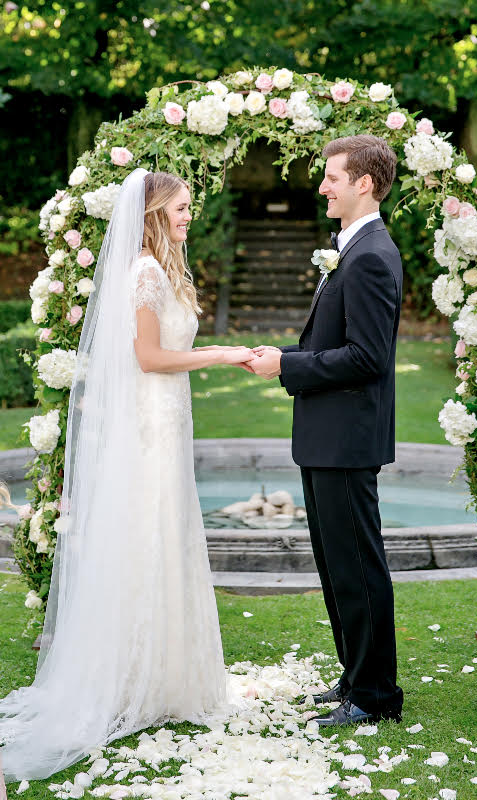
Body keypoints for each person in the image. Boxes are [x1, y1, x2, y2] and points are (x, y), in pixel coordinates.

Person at [0, 169, 253, 781]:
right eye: (181, 209)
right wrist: (222, 353)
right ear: (152, 216)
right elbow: (149, 357)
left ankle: (166, 678)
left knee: (167, 536)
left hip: (168, 421)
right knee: (147, 535)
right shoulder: (142, 272)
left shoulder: (167, 271)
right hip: (148, 426)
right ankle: (133, 675)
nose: (190, 216)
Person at [250, 135, 404, 726]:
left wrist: (286, 366)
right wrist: (286, 353)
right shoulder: (353, 248)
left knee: (357, 567)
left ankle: (374, 697)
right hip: (329, 436)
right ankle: (354, 679)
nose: (322, 186)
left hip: (345, 440)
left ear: (363, 183)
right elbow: (337, 344)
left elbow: (367, 357)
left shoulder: (369, 255)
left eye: (331, 177)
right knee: (337, 564)